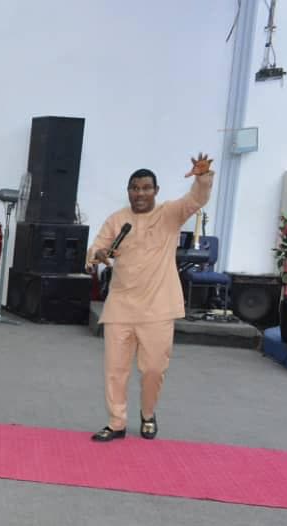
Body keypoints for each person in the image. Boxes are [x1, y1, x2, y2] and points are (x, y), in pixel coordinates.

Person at [86, 154, 215, 442]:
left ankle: (148, 413)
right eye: (134, 188)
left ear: (156, 191)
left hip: (158, 306)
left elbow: (196, 199)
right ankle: (116, 422)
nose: (140, 193)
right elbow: (97, 247)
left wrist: (202, 177)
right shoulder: (118, 220)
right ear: (128, 191)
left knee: (154, 369)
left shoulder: (170, 213)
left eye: (146, 187)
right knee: (115, 370)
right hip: (121, 305)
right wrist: (98, 255)